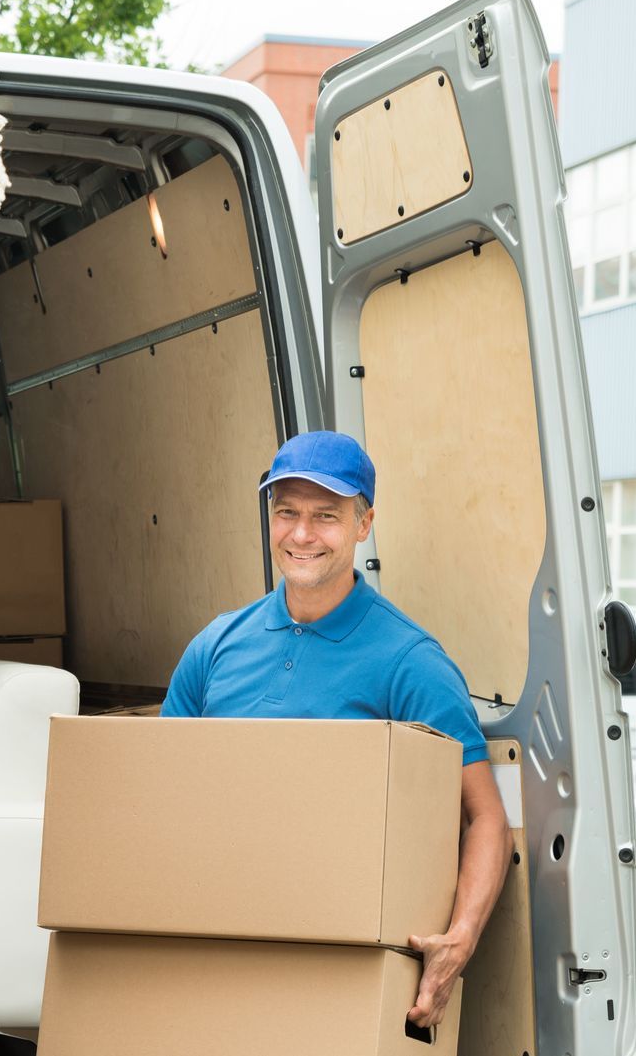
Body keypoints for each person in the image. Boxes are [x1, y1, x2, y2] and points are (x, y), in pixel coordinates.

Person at [160, 429, 511, 1029]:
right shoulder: (215, 645)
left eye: (325, 516)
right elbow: (162, 791)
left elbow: (486, 819)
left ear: (364, 523)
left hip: (338, 959)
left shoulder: (410, 662)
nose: (301, 534)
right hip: (217, 940)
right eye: (286, 512)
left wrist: (460, 939)